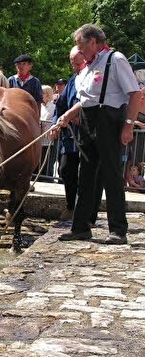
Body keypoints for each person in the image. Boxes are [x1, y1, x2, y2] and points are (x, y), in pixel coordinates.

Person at [57, 23, 142, 245]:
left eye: (81, 45)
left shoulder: (116, 59)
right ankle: (81, 228)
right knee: (85, 174)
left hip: (109, 119)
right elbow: (87, 100)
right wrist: (68, 114)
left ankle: (118, 230)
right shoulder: (87, 65)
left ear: (93, 41)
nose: (80, 50)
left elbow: (134, 94)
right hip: (88, 118)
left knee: (111, 173)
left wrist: (128, 125)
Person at [50, 46, 85, 221]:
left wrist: (80, 116)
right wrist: (56, 124)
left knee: (86, 174)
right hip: (70, 137)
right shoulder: (72, 80)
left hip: (87, 136)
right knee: (65, 170)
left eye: (78, 64)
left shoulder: (93, 78)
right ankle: (71, 205)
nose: (75, 68)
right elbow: (61, 105)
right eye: (73, 64)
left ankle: (84, 211)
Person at [39, 85, 56, 178]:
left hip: (48, 137)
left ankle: (47, 176)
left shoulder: (53, 107)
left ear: (48, 95)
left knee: (48, 158)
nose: (40, 95)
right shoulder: (40, 106)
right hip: (39, 136)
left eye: (43, 93)